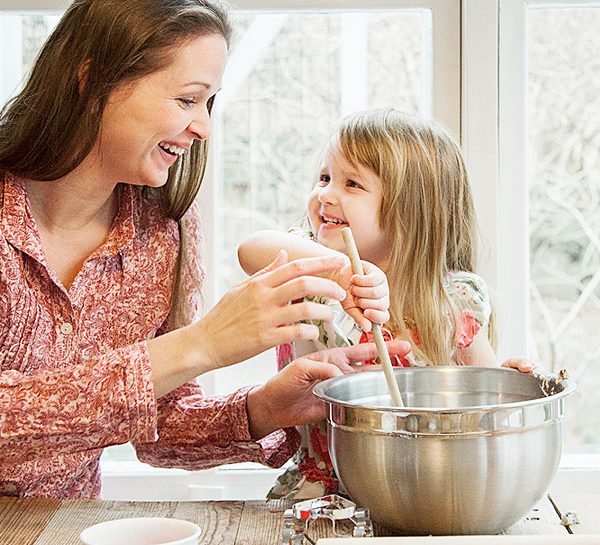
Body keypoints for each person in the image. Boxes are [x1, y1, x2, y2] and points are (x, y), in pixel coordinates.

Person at [0, 1, 410, 499]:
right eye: (187, 100)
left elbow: (160, 424)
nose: (204, 128)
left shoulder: (161, 229)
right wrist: (200, 344)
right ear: (92, 81)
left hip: (60, 527)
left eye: (208, 103)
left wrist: (265, 408)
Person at [238, 108, 536, 499]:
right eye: (325, 177)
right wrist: (340, 272)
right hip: (322, 495)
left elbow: (485, 400)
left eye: (351, 184)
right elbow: (250, 249)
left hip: (422, 493)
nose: (325, 193)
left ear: (410, 211)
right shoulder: (312, 271)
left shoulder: (451, 301)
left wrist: (508, 381)